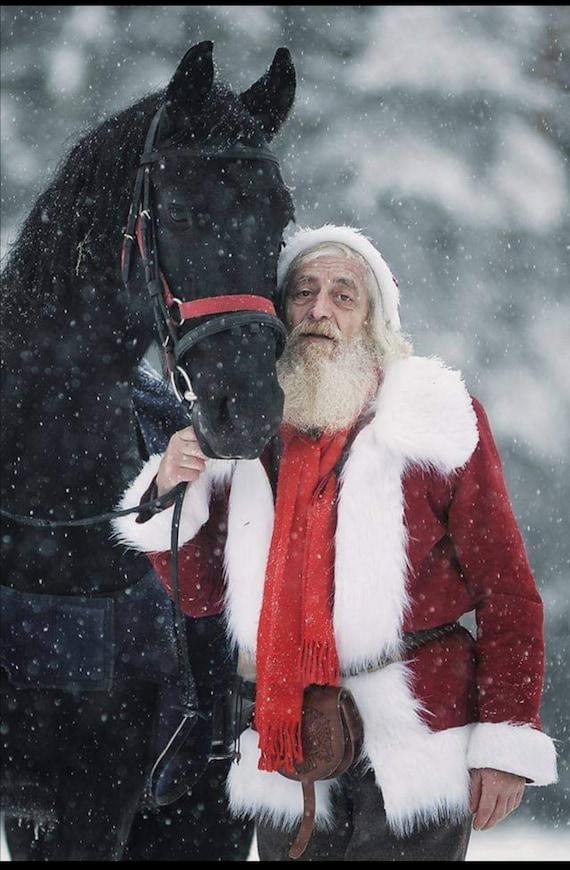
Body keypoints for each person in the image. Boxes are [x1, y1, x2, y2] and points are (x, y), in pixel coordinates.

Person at [112, 224, 558, 862]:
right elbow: (203, 594)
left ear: (375, 318)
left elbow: (507, 592)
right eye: (304, 293)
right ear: (280, 312)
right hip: (288, 743)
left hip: (415, 740)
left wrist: (508, 735)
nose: (320, 309)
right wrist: (172, 486)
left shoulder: (435, 422)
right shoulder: (244, 433)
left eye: (344, 295)